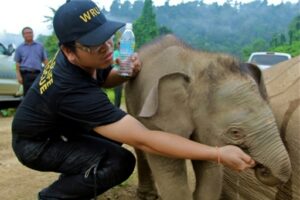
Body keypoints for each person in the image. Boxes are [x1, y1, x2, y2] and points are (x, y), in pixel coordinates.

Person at [11, 1, 255, 200]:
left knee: (111, 141)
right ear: (69, 52)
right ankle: (55, 196)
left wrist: (124, 72)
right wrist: (217, 153)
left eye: (107, 36)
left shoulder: (84, 58)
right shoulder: (70, 88)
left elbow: (104, 78)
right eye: (95, 44)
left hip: (66, 126)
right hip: (37, 144)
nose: (107, 47)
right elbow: (145, 140)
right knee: (119, 162)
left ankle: (76, 180)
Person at [14, 27, 48, 96]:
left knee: (39, 94)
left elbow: (45, 60)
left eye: (30, 32)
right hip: (26, 75)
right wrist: (18, 76)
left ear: (33, 34)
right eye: (26, 33)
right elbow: (17, 63)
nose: (29, 34)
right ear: (23, 35)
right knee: (27, 95)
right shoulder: (19, 48)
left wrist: (47, 73)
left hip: (38, 74)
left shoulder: (40, 46)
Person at [112, 40, 123, 107]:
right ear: (117, 45)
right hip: (116, 75)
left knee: (121, 93)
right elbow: (116, 61)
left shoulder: (124, 52)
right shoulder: (115, 53)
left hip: (124, 74)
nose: (120, 45)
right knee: (118, 94)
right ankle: (116, 107)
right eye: (119, 44)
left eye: (122, 44)